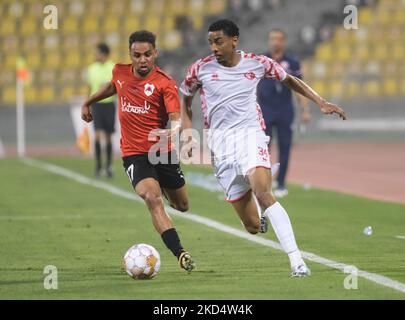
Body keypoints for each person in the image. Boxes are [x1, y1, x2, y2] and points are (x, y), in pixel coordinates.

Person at [180, 19, 346, 277]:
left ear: (234, 39)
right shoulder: (199, 69)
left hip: (250, 136)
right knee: (253, 226)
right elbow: (186, 101)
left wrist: (319, 101)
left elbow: (290, 79)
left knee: (264, 192)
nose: (214, 47)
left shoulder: (257, 63)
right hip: (220, 148)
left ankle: (297, 261)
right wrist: (188, 134)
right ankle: (259, 207)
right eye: (210, 42)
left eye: (219, 41)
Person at [81, 30, 195, 272]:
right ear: (130, 55)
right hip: (133, 152)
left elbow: (175, 117)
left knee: (182, 205)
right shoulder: (120, 72)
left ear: (155, 53)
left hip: (161, 151)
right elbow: (111, 87)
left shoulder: (165, 83)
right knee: (151, 198)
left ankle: (162, 184)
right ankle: (180, 252)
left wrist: (173, 132)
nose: (142, 60)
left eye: (147, 54)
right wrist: (89, 101)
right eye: (137, 55)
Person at [257, 29, 310, 198]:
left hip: (285, 109)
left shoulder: (292, 62)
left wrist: (305, 109)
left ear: (283, 41)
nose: (275, 42)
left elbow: (300, 86)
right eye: (272, 38)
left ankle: (280, 184)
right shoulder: (261, 60)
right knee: (263, 149)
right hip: (265, 109)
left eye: (279, 39)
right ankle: (263, 183)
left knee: (285, 147)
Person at [86, 43, 116, 178]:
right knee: (97, 134)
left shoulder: (113, 67)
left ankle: (109, 166)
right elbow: (89, 87)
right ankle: (98, 166)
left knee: (109, 136)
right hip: (96, 105)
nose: (95, 55)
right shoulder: (91, 68)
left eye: (97, 53)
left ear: (104, 54)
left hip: (109, 105)